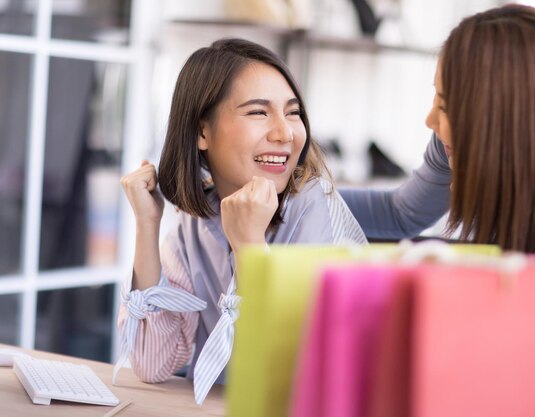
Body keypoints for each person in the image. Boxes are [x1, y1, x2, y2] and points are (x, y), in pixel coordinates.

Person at [115, 38, 367, 404]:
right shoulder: (195, 222)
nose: (285, 133)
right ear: (202, 132)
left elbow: (299, 377)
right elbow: (153, 363)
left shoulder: (313, 206)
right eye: (258, 113)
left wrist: (250, 246)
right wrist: (148, 225)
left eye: (293, 112)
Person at [341, 4, 535, 264]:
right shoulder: (454, 141)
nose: (430, 121)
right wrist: (302, 195)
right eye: (438, 99)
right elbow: (399, 213)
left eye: (447, 107)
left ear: (503, 125)